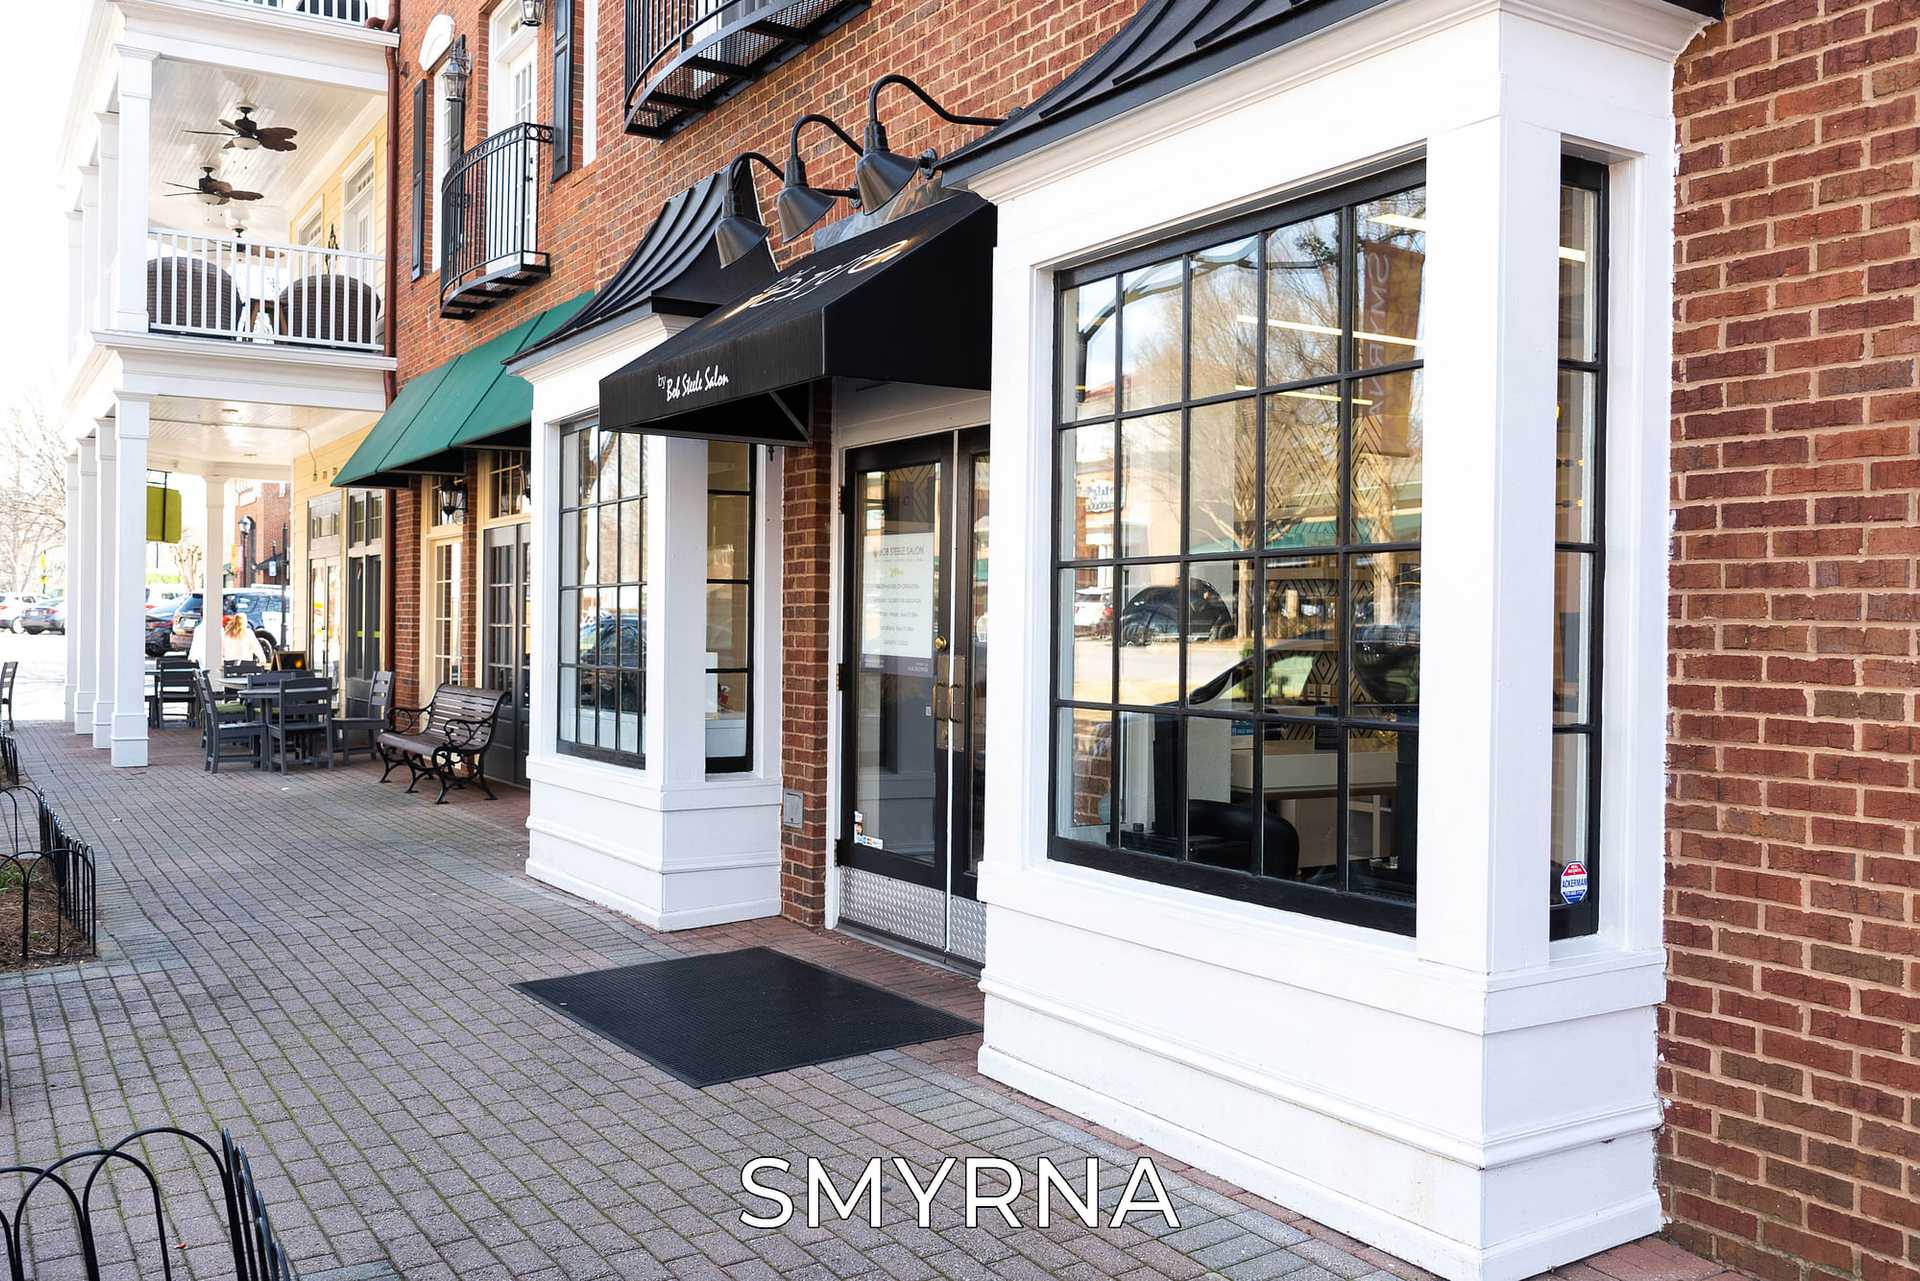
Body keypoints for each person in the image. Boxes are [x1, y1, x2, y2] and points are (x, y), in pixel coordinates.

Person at [189, 609, 268, 670]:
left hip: (229, 667)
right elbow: (257, 649)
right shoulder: (248, 633)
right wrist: (262, 660)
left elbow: (221, 651)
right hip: (246, 668)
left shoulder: (226, 634)